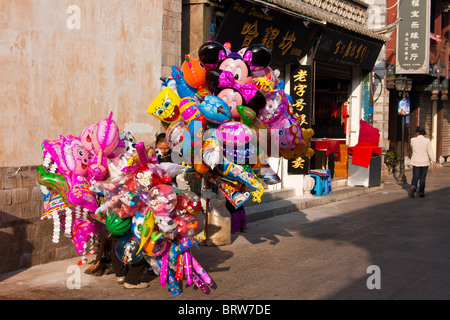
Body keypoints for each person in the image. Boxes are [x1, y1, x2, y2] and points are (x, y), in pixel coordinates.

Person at [409, 126, 436, 198]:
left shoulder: (413, 140)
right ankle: (421, 192)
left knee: (415, 176)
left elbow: (412, 147)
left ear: (417, 133)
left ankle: (414, 186)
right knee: (423, 177)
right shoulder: (427, 141)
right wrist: (433, 161)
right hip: (424, 162)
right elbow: (430, 151)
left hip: (416, 161)